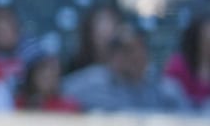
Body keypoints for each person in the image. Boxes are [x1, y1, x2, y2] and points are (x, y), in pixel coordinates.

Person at [61, 22, 190, 113]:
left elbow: (192, 125)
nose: (136, 57)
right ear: (113, 56)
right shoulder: (89, 83)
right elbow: (54, 95)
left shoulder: (165, 89)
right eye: (128, 51)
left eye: (141, 49)